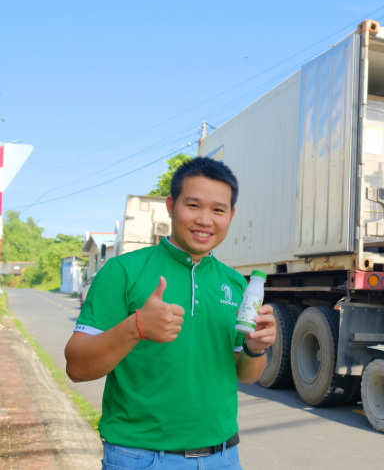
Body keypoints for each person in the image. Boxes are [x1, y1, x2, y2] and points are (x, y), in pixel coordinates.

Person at [65, 157, 276, 469]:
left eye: (218, 210)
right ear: (171, 205)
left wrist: (255, 348)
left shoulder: (235, 283)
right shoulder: (124, 270)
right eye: (193, 205)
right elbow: (77, 367)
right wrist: (136, 327)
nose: (205, 220)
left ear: (231, 215)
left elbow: (245, 375)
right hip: (141, 457)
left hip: (223, 457)